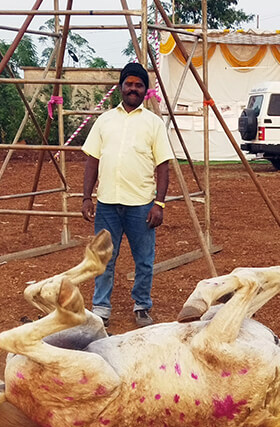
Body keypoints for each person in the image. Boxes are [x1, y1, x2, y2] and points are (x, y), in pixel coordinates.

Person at [81, 63, 173, 328]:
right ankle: (101, 309)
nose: (133, 88)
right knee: (104, 258)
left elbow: (163, 165)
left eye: (139, 85)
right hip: (107, 204)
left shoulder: (153, 123)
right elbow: (92, 161)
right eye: (129, 83)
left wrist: (159, 204)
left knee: (144, 259)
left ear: (145, 90)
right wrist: (87, 197)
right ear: (121, 86)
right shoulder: (105, 120)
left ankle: (142, 305)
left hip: (141, 206)